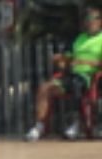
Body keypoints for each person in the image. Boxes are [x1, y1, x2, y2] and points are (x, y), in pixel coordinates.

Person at [25, 6, 102, 142]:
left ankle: (77, 124)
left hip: (90, 77)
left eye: (92, 19)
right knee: (45, 88)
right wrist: (61, 60)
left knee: (77, 85)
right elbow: (67, 59)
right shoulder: (78, 39)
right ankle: (39, 126)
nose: (89, 22)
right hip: (72, 74)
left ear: (100, 21)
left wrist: (83, 62)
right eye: (87, 19)